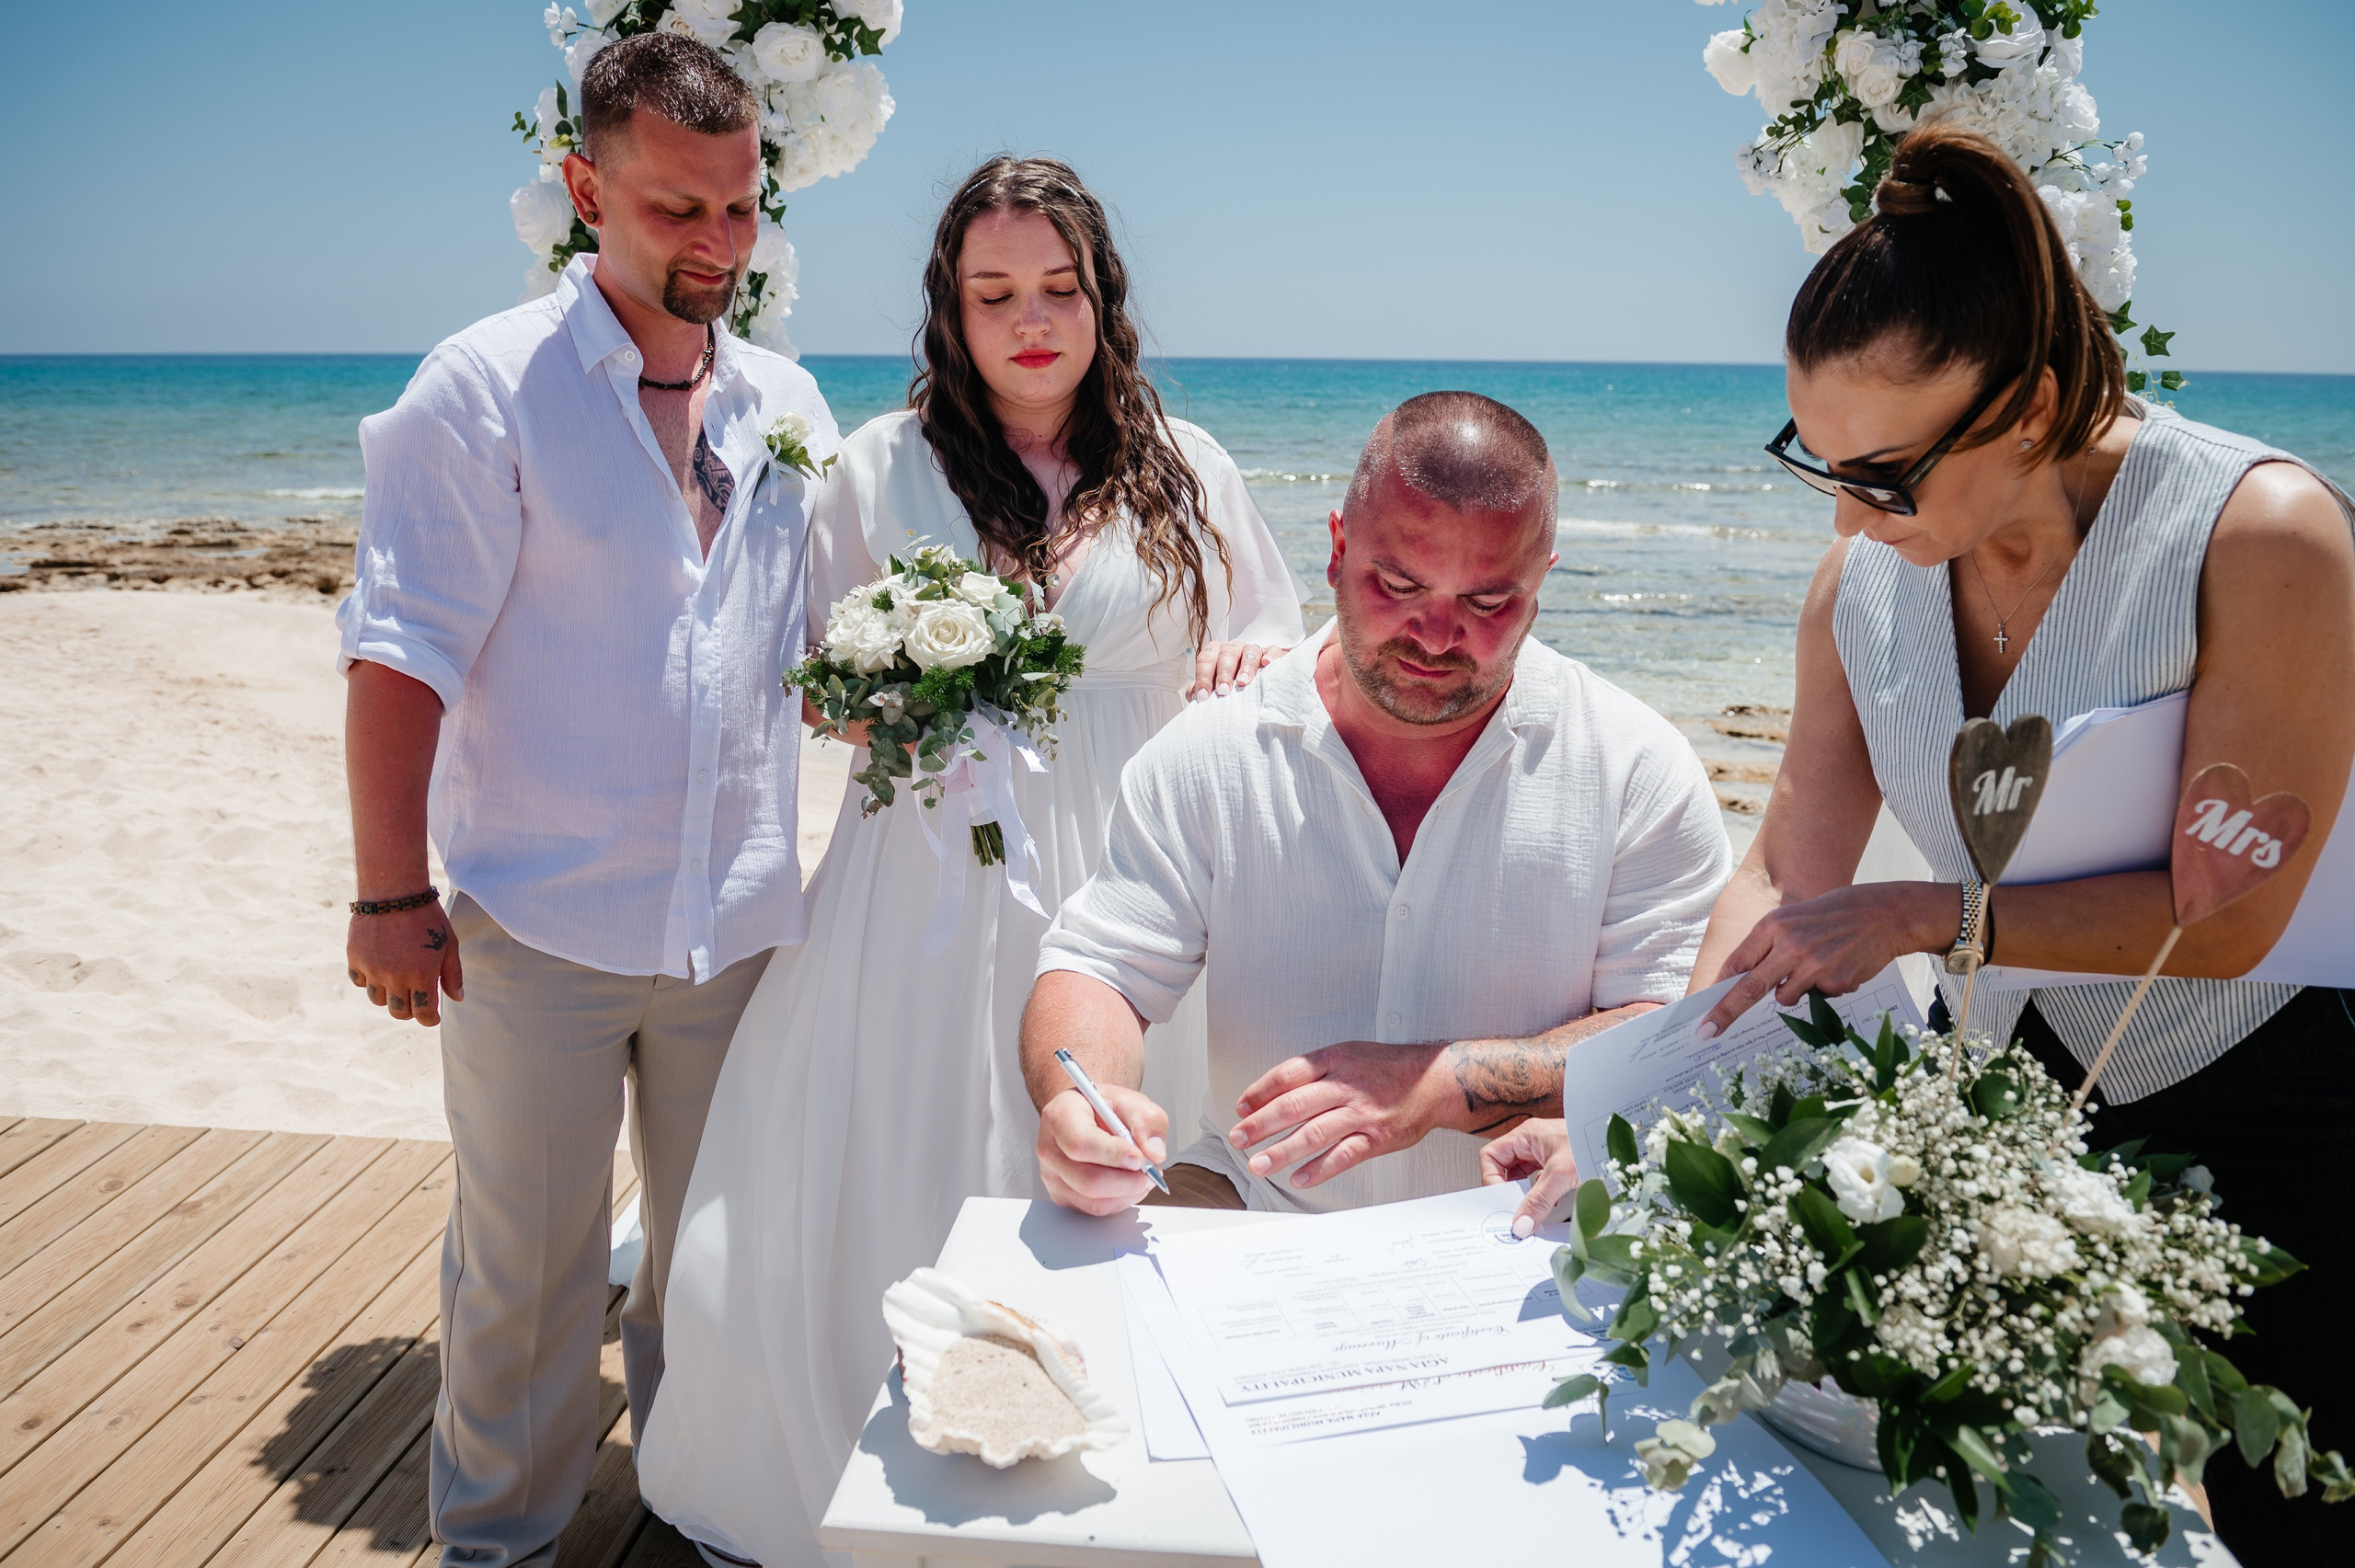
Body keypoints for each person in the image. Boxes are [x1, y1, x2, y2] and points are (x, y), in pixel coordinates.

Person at [1680, 123, 2355, 1561]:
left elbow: (2231, 914)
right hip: (2000, 1114)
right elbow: (1793, 861)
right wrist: (1678, 1075)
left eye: (1890, 471)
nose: (1851, 510)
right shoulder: (1859, 572)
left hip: (2279, 1105)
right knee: (1997, 1512)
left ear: (2035, 407)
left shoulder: (2264, 530)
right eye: (1819, 458)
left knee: (2297, 1509)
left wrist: (1935, 915)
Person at [632, 157, 1305, 1567]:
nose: (1031, 319)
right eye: (994, 293)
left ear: (1102, 297)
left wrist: (1256, 656)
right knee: (889, 1152)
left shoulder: (1190, 471)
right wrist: (880, 680)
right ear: (953, 309)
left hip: (1127, 877)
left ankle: (1105, 1491)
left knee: (1115, 1165)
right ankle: (865, 1484)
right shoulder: (882, 465)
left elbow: (1284, 653)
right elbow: (809, 674)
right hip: (921, 881)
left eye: (1058, 288)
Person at [337, 34, 835, 1567]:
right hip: (535, 926)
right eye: (678, 210)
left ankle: (698, 1510)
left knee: (713, 1264)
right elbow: (399, 653)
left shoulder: (787, 399)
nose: (718, 246)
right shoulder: (483, 390)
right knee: (527, 1272)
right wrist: (388, 893)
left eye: (742, 211)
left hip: (739, 928)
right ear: (584, 189)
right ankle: (499, 1546)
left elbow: (815, 649)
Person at [1024, 391, 1733, 1219]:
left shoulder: (1634, 765)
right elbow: (1103, 967)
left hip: (1538, 1239)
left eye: (1487, 603)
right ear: (1335, 548)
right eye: (1399, 585)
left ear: (1543, 582)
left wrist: (1437, 1083)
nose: (1436, 636)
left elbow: (1678, 1029)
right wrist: (1084, 1102)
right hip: (1264, 1205)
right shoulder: (1213, 749)